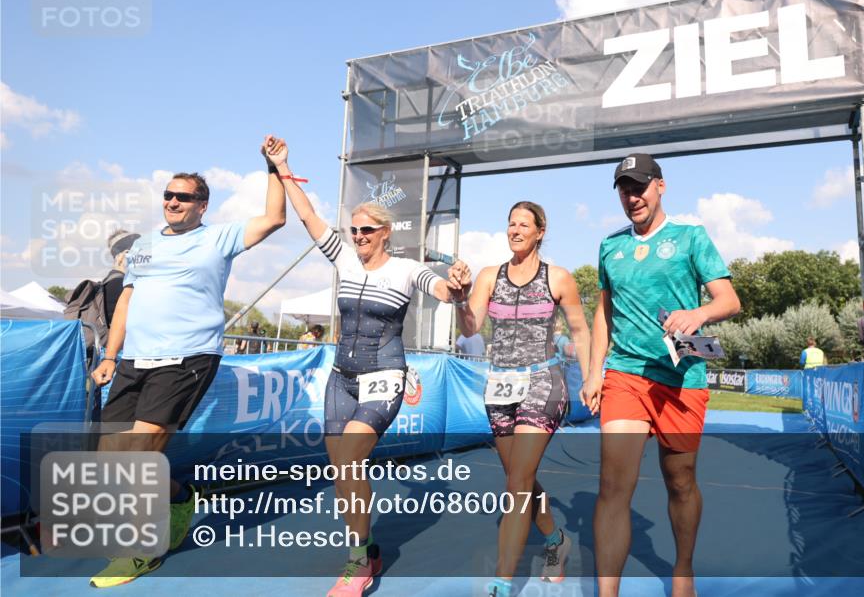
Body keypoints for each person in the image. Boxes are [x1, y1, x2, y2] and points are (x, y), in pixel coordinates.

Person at [270, 138, 468, 597]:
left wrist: (458, 284)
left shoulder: (406, 269)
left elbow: (444, 294)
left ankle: (358, 564)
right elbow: (307, 218)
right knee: (342, 468)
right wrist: (284, 167)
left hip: (385, 373)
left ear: (385, 234)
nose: (357, 237)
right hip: (341, 377)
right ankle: (367, 546)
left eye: (366, 231)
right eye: (354, 230)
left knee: (352, 453)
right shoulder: (341, 257)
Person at [87, 137, 286, 587]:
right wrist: (110, 356)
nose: (173, 201)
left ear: (202, 205)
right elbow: (126, 300)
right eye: (168, 195)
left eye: (184, 196)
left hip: (187, 358)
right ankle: (179, 498)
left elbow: (275, 217)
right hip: (134, 360)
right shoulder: (144, 246)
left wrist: (274, 166)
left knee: (138, 456)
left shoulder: (219, 236)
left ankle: (141, 552)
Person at [582, 154, 740, 597]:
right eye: (624, 189)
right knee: (613, 486)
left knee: (680, 480)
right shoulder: (610, 247)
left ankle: (683, 567)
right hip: (626, 376)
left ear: (660, 187)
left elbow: (729, 299)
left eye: (639, 187)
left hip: (680, 378)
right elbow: (604, 313)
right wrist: (595, 372)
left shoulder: (691, 237)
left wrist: (699, 313)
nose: (632, 197)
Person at [451, 201, 591, 597]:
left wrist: (592, 377)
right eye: (510, 223)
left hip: (543, 382)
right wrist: (461, 298)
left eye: (523, 224)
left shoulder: (558, 278)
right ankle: (555, 539)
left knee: (516, 484)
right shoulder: (489, 276)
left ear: (540, 231)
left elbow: (580, 331)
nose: (514, 230)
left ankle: (501, 582)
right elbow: (471, 327)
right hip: (499, 386)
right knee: (521, 479)